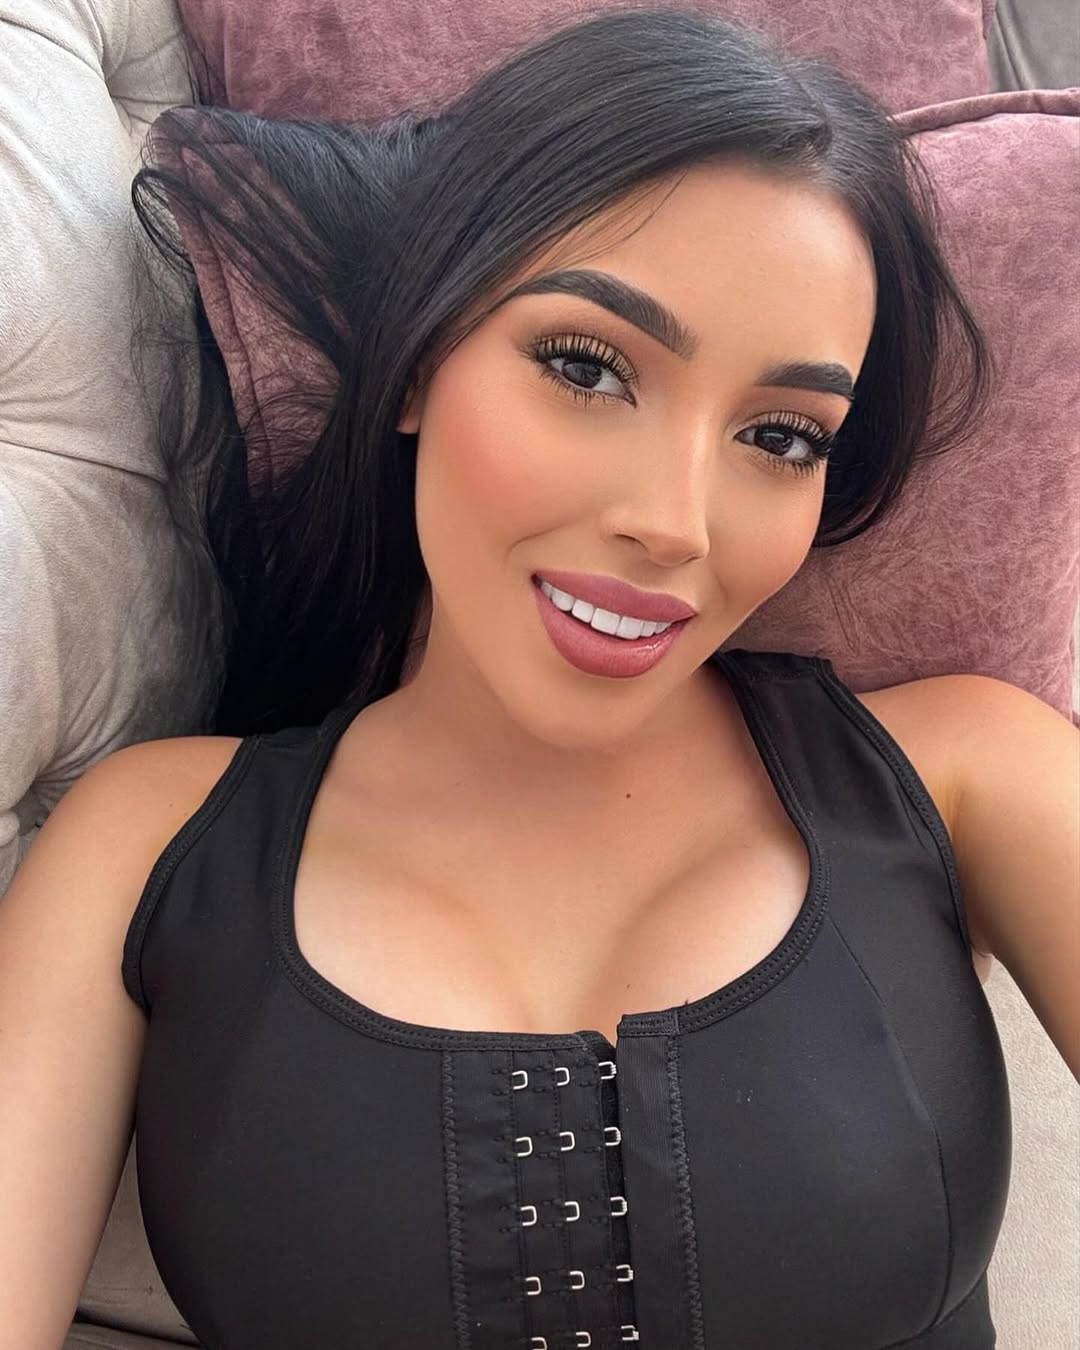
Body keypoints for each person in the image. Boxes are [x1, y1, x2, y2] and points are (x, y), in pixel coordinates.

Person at [1, 7, 1076, 1348]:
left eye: (782, 437)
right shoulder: (146, 848)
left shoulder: (974, 775)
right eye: (586, 366)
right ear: (417, 357)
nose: (675, 524)